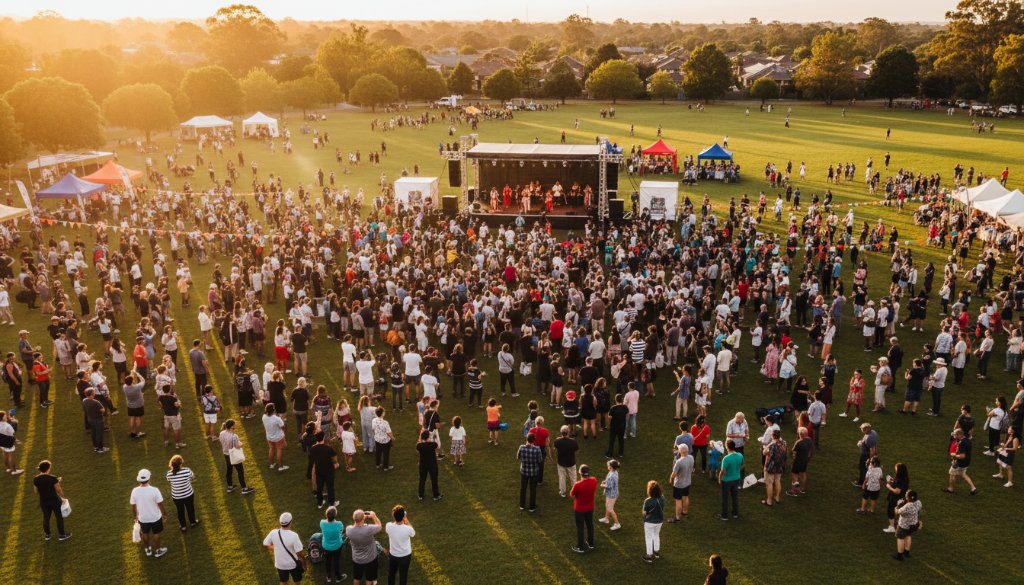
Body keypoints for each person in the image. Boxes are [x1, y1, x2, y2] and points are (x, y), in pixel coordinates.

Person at [130, 468, 168, 558]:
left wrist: (135, 516)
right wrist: (165, 514)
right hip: (155, 517)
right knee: (156, 533)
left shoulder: (134, 491)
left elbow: (133, 506)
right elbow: (160, 504)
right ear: (149, 478)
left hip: (142, 518)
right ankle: (158, 551)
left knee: (144, 533)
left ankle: (147, 550)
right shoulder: (155, 490)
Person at [263, 512, 307, 584]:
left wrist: (275, 548)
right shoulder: (294, 535)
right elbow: (300, 554)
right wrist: (304, 565)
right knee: (297, 581)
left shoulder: (273, 532)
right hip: (293, 564)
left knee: (283, 582)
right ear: (290, 522)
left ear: (280, 523)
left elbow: (265, 543)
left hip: (280, 564)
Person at [33, 460, 70, 541]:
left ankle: (47, 535)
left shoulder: (36, 479)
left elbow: (35, 491)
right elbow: (58, 490)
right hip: (54, 501)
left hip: (44, 502)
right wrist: (62, 497)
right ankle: (62, 535)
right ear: (48, 468)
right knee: (59, 517)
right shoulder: (52, 478)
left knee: (46, 517)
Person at [219, 419, 255, 495]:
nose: (235, 427)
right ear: (231, 427)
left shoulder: (222, 433)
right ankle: (244, 489)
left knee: (229, 470)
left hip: (226, 454)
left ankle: (230, 486)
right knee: (240, 471)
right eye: (234, 426)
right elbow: (237, 446)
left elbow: (221, 441)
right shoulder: (234, 436)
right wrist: (242, 443)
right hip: (233, 456)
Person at [346, 509, 382, 585]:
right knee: (369, 579)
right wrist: (374, 516)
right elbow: (379, 526)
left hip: (357, 559)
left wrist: (360, 519)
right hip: (370, 559)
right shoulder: (369, 529)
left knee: (356, 578)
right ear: (363, 519)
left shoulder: (348, 530)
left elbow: (355, 525)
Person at [569, 464, 597, 554]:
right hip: (590, 507)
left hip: (579, 509)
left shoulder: (578, 485)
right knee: (590, 525)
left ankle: (580, 547)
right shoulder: (594, 480)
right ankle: (591, 543)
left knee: (580, 528)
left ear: (580, 474)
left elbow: (571, 494)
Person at [166, 454, 198, 531]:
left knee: (180, 511)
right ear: (181, 463)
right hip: (188, 494)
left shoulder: (169, 474)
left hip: (177, 496)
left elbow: (169, 480)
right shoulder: (187, 470)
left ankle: (183, 526)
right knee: (190, 508)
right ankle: (192, 522)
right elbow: (192, 477)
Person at [386, 505, 416, 585]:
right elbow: (413, 534)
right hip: (405, 556)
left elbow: (393, 524)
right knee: (403, 576)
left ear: (393, 516)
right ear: (403, 516)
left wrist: (401, 518)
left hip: (393, 555)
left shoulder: (388, 526)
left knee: (391, 574)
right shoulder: (408, 529)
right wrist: (406, 519)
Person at [310, 431, 340, 508]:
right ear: (323, 437)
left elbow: (312, 459)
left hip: (319, 470)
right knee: (330, 486)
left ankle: (320, 503)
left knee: (319, 486)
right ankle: (332, 503)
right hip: (329, 470)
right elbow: (335, 459)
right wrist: (336, 463)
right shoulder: (328, 448)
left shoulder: (313, 448)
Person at [946, 428, 978, 495]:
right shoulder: (968, 440)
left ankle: (951, 489)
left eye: (956, 435)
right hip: (966, 462)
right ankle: (973, 488)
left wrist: (954, 455)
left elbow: (962, 456)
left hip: (959, 463)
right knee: (963, 474)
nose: (954, 436)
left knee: (952, 474)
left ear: (960, 435)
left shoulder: (961, 443)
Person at [893, 490, 922, 561]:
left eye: (906, 494)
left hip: (903, 526)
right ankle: (906, 552)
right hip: (913, 525)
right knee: (908, 536)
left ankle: (899, 556)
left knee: (900, 538)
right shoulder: (918, 503)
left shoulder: (906, 507)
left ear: (908, 498)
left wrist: (897, 506)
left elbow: (897, 512)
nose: (905, 494)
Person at [320, 506, 347, 583]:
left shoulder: (322, 522)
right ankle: (338, 577)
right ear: (335, 515)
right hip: (337, 546)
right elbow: (342, 532)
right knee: (336, 560)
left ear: (326, 515)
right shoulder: (339, 524)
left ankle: (329, 577)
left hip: (326, 546)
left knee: (328, 560)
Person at [640, 480, 665, 563]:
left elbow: (644, 513)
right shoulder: (662, 497)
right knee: (656, 535)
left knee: (649, 538)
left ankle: (649, 556)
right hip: (659, 521)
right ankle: (656, 552)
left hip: (649, 522)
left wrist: (645, 514)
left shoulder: (648, 501)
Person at [761, 429, 787, 507]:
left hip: (771, 466)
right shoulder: (784, 443)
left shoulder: (772, 445)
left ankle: (769, 501)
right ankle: (777, 498)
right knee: (777, 480)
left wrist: (768, 445)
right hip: (780, 465)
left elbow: (765, 453)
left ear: (772, 436)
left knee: (769, 483)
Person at [718, 439, 743, 520]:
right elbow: (742, 465)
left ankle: (724, 516)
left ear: (727, 447)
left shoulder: (726, 458)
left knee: (725, 498)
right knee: (735, 497)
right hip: (736, 479)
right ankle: (735, 514)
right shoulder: (740, 455)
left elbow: (722, 471)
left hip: (726, 481)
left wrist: (719, 478)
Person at [517, 434, 542, 512]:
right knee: (533, 489)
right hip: (534, 472)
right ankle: (532, 507)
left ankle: (522, 505)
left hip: (524, 471)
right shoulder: (537, 449)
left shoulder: (521, 447)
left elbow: (518, 457)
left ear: (526, 439)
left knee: (523, 488)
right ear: (534, 440)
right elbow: (540, 460)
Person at [669, 443, 694, 521]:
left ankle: (677, 517)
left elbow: (674, 474)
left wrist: (670, 478)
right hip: (688, 482)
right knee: (686, 497)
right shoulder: (691, 457)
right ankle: (685, 512)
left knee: (678, 500)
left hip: (679, 484)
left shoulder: (679, 462)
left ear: (680, 451)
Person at [883, 462, 910, 534]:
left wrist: (889, 487)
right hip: (902, 497)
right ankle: (899, 524)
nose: (895, 470)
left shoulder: (900, 480)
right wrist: (893, 481)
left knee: (890, 511)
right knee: (899, 511)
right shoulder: (905, 477)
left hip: (895, 498)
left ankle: (892, 527)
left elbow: (897, 491)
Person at [554, 425, 579, 498]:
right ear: (568, 432)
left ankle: (563, 492)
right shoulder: (573, 442)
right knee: (573, 478)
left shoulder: (557, 441)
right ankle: (574, 492)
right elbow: (576, 451)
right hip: (571, 462)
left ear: (561, 432)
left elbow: (554, 448)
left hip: (561, 462)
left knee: (562, 478)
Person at [787, 426, 813, 496]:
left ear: (800, 434)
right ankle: (802, 489)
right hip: (805, 461)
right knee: (803, 473)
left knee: (794, 475)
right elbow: (810, 451)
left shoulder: (799, 442)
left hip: (797, 461)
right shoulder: (810, 440)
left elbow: (792, 451)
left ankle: (794, 492)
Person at [416, 430, 442, 501]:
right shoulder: (433, 445)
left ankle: (420, 495)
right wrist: (432, 438)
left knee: (422, 479)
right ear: (428, 437)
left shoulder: (419, 445)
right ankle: (436, 495)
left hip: (423, 465)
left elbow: (419, 444)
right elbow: (438, 445)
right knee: (434, 479)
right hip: (432, 464)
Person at [81, 388, 108, 453]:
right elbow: (103, 410)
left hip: (90, 419)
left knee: (93, 433)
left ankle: (95, 446)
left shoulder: (84, 400)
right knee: (99, 434)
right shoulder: (96, 402)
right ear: (92, 394)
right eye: (94, 392)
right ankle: (100, 448)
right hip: (98, 420)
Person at [158, 384, 185, 449]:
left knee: (166, 429)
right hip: (174, 416)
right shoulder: (173, 398)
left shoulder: (160, 397)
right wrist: (179, 402)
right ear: (169, 389)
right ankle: (178, 444)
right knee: (176, 430)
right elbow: (178, 406)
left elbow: (161, 405)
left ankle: (166, 442)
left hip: (166, 415)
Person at [263, 403, 288, 471]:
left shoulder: (264, 417)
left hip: (269, 437)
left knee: (271, 449)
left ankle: (271, 464)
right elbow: (283, 427)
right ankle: (280, 466)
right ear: (273, 410)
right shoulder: (277, 419)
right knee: (279, 450)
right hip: (278, 437)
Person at [598, 459, 621, 530]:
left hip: (612, 495)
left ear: (611, 467)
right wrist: (605, 481)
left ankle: (617, 524)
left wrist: (602, 485)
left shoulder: (612, 476)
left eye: (608, 465)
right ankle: (606, 518)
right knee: (607, 506)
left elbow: (609, 486)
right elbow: (609, 480)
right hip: (611, 493)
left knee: (610, 509)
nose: (607, 466)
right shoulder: (614, 471)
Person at [0, 410, 23, 474]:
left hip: (1, 442)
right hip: (8, 442)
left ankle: (8, 468)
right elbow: (12, 433)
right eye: (5, 416)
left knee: (5, 454)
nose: (6, 416)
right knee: (11, 455)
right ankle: (14, 470)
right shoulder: (7, 426)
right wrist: (15, 422)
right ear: (2, 418)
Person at [606, 394, 628, 458]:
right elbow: (626, 414)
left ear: (615, 400)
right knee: (621, 440)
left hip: (614, 427)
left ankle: (609, 454)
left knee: (612, 440)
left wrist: (608, 414)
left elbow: (609, 417)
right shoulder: (625, 407)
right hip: (622, 426)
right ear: (622, 399)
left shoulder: (613, 408)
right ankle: (621, 453)